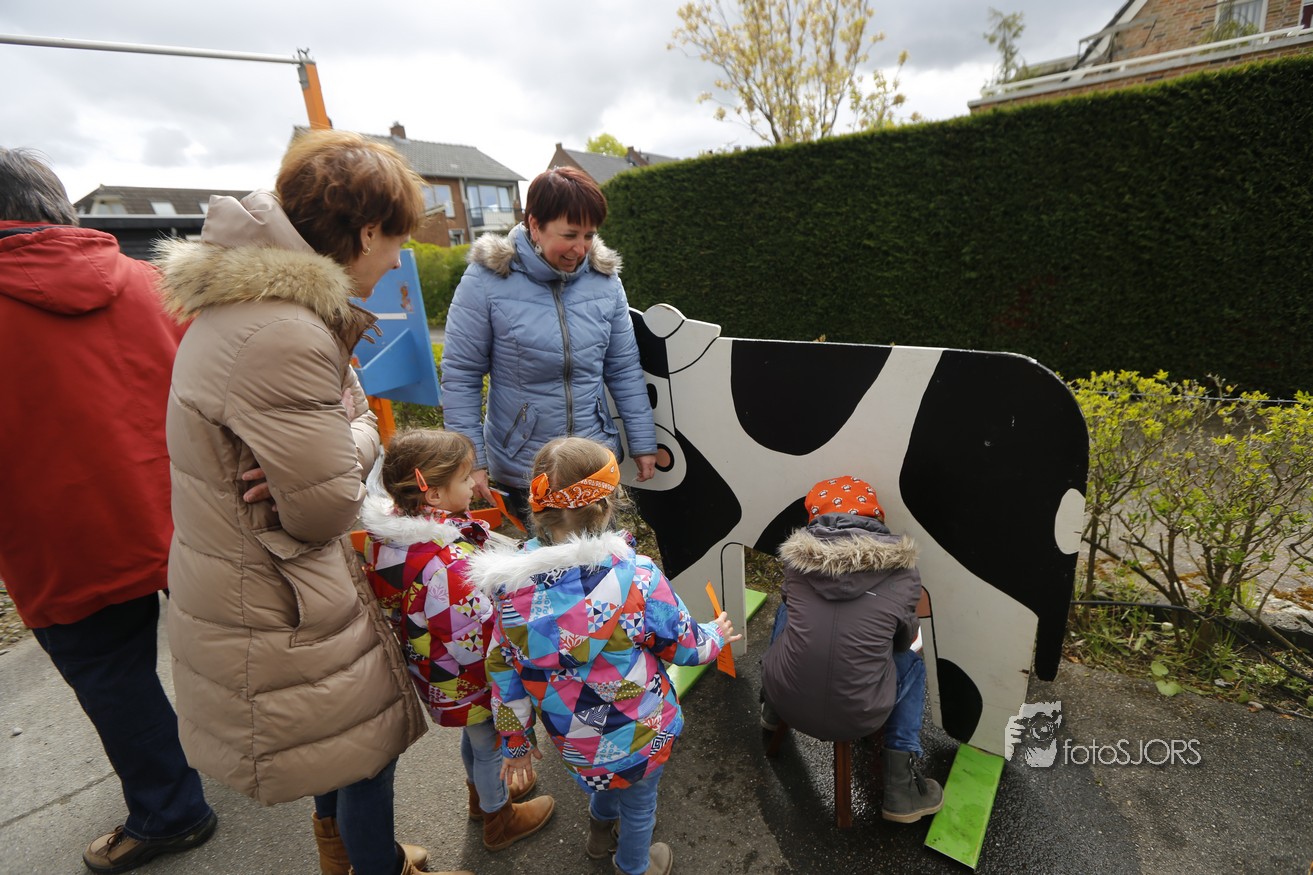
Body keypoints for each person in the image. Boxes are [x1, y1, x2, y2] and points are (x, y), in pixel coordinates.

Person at [154, 130, 470, 875]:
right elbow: (325, 506)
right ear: (366, 232)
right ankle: (376, 865)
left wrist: (338, 437)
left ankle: (342, 853)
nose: (397, 259)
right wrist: (351, 444)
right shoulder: (285, 333)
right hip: (282, 590)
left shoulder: (261, 308)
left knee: (333, 740)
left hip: (250, 577)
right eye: (398, 240)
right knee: (364, 749)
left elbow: (346, 420)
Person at [0, 147, 218, 873]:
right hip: (189, 510)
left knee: (112, 674)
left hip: (60, 540)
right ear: (55, 206)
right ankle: (267, 755)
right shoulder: (157, 284)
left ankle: (171, 810)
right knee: (224, 639)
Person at [467, 436, 741, 875]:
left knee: (604, 782)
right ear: (607, 503)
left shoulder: (508, 591)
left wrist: (516, 741)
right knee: (640, 806)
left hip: (575, 738)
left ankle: (599, 833)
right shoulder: (637, 577)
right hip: (641, 731)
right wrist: (716, 635)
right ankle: (633, 866)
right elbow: (685, 646)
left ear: (538, 506)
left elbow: (502, 670)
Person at [360, 427, 556, 851]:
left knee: (477, 738)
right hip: (471, 676)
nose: (472, 485)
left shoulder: (391, 538)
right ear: (433, 494)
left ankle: (482, 797)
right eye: (465, 478)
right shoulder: (446, 565)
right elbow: (474, 637)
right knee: (489, 744)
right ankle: (499, 817)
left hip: (435, 668)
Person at [441, 166, 658, 521]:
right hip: (525, 464)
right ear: (535, 225)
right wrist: (471, 462)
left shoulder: (605, 281)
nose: (580, 248)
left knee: (601, 554)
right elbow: (461, 375)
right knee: (541, 556)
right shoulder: (486, 280)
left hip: (594, 459)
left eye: (589, 235)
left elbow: (623, 368)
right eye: (570, 234)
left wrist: (643, 441)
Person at [760, 476, 944, 824]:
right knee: (913, 665)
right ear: (875, 516)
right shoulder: (904, 572)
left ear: (815, 517)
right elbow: (903, 642)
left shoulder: (796, 565)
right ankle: (900, 787)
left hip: (787, 696)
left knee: (788, 609)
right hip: (861, 714)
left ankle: (770, 709)